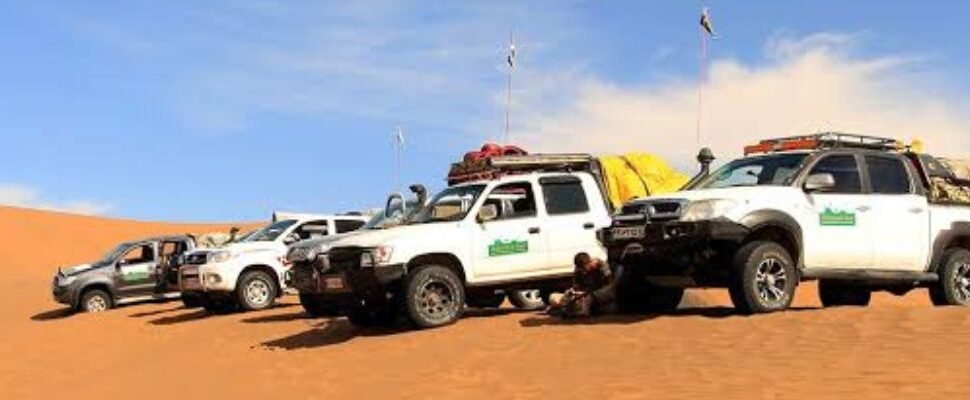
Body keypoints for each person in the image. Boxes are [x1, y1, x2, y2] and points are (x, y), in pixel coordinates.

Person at [548, 252, 618, 318]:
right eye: (580, 268)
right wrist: (573, 292)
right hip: (585, 296)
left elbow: (610, 287)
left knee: (607, 307)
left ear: (589, 262)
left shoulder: (602, 267)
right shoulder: (579, 271)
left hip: (600, 296)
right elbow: (577, 286)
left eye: (584, 267)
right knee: (553, 297)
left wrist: (592, 294)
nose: (583, 271)